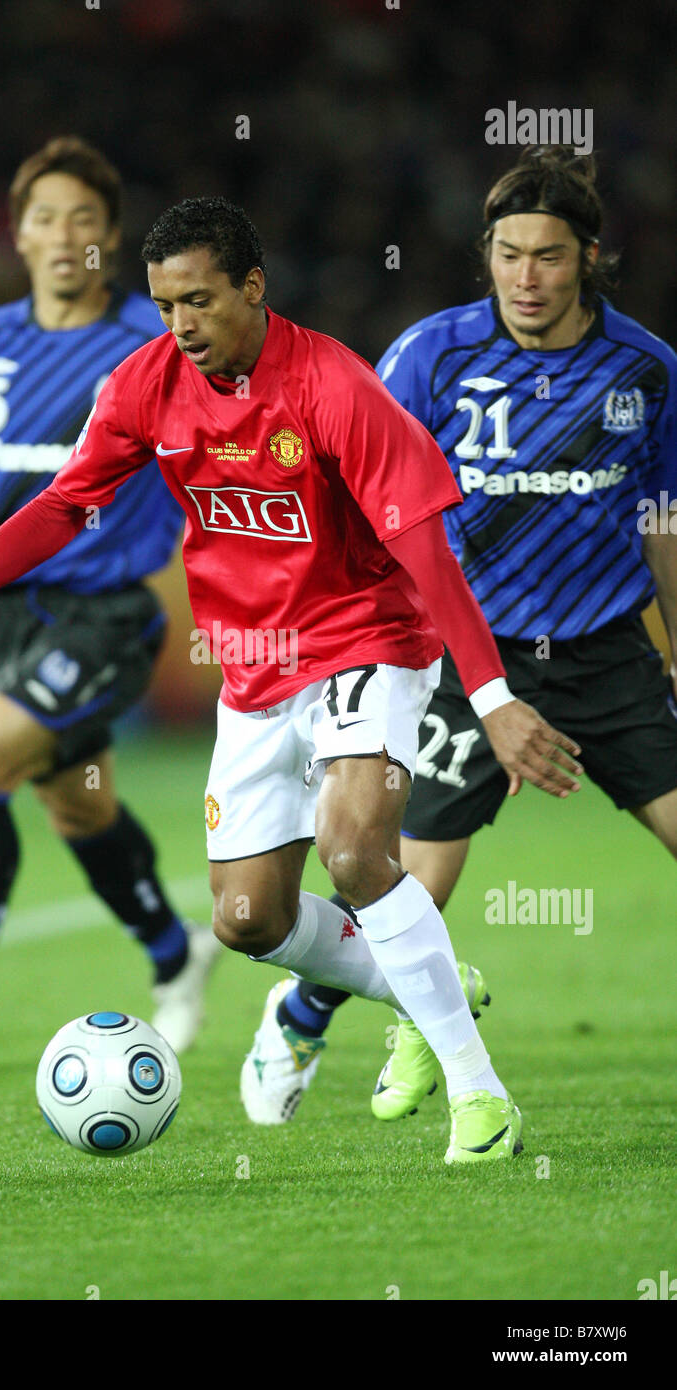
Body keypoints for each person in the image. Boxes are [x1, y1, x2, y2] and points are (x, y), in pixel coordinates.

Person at [0, 196, 585, 1164]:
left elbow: (426, 550)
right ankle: (397, 975)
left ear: (252, 286)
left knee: (356, 849)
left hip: (366, 640)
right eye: (162, 304)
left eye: (198, 299)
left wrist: (491, 701)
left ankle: (478, 1095)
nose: (180, 324)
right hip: (250, 668)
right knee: (246, 920)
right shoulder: (146, 383)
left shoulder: (334, 386)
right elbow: (67, 505)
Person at [266, 146, 677, 1127]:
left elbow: (662, 517)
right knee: (405, 886)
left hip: (605, 652)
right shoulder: (428, 357)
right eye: (506, 254)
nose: (524, 277)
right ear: (484, 256)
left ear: (585, 257)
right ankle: (315, 1015)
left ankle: (375, 1018)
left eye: (545, 255)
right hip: (466, 655)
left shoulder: (645, 370)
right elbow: (361, 499)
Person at [0, 137, 218, 1058]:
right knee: (79, 805)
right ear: (17, 234)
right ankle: (178, 956)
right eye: (46, 217)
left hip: (111, 615)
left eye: (86, 220)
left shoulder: (152, 339)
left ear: (111, 237)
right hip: (18, 616)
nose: (66, 236)